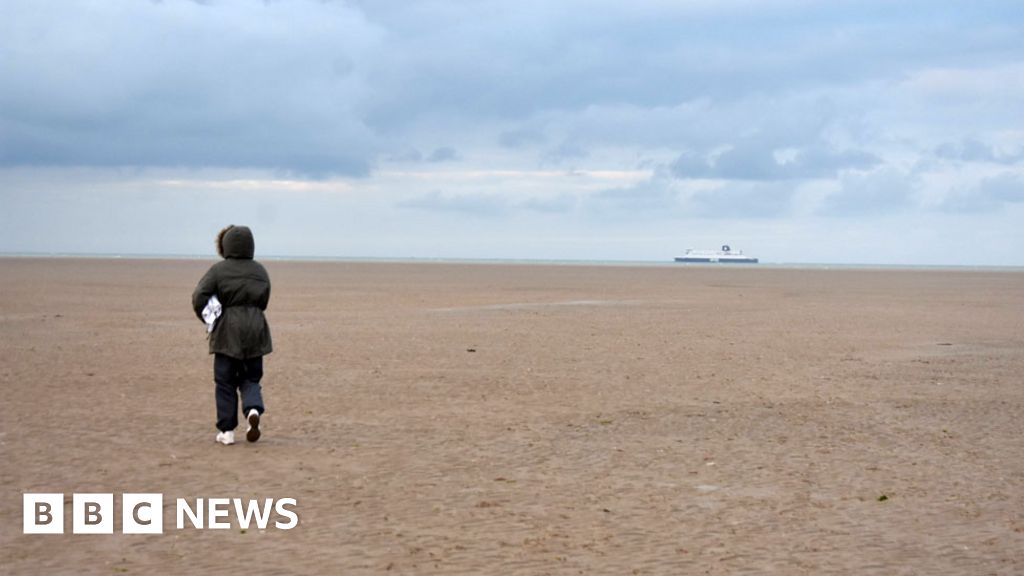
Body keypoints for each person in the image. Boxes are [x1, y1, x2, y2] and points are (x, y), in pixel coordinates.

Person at [192, 225, 273, 445]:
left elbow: (199, 296)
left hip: (227, 330)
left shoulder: (218, 270)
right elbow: (264, 300)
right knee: (251, 377)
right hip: (256, 328)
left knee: (225, 381)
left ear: (226, 245)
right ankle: (253, 410)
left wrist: (209, 317)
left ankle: (227, 431)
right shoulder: (260, 271)